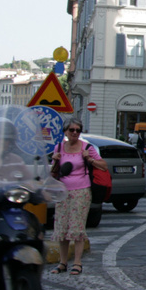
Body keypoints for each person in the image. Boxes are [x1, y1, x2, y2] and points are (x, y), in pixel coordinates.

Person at [49, 117, 107, 276]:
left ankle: (77, 262)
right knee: (62, 227)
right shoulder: (59, 147)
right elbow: (54, 174)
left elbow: (103, 165)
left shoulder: (87, 147)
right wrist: (54, 162)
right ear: (65, 132)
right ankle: (62, 262)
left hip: (81, 191)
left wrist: (89, 158)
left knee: (77, 228)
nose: (75, 133)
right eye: (71, 130)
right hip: (63, 192)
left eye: (78, 130)